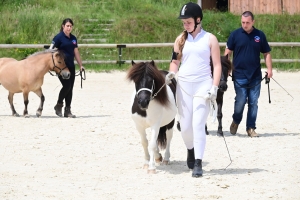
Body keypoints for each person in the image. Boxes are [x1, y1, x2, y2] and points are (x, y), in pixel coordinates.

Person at [166, 2, 221, 177]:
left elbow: (218, 65)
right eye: (183, 22)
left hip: (203, 85)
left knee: (198, 124)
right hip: (184, 86)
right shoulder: (180, 40)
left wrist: (214, 87)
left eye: (188, 22)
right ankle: (190, 149)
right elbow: (175, 62)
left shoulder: (210, 39)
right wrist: (171, 73)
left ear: (198, 20)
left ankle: (198, 162)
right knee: (186, 126)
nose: (185, 25)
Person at [224, 11, 273, 137]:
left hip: (255, 75)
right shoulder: (235, 35)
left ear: (253, 22)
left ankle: (250, 127)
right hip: (239, 74)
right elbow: (228, 52)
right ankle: (236, 120)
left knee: (253, 102)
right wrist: (227, 68)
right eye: (243, 22)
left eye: (247, 23)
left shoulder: (260, 35)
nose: (245, 25)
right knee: (240, 100)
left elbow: (266, 53)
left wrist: (269, 69)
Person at [49, 18, 84, 118]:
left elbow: (76, 52)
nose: (69, 28)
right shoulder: (58, 37)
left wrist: (80, 65)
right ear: (63, 26)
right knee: (67, 86)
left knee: (70, 88)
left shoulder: (73, 38)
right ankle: (59, 104)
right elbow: (51, 51)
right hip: (61, 67)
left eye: (70, 26)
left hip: (71, 66)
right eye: (67, 26)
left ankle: (67, 110)